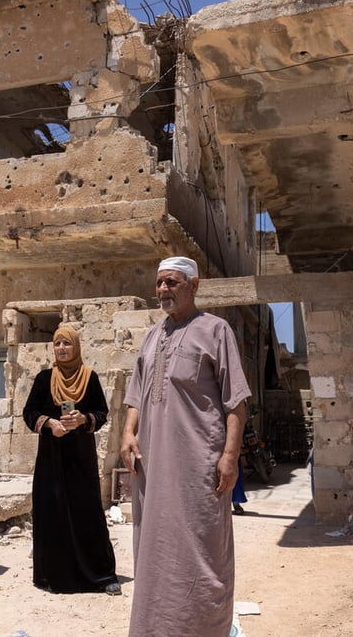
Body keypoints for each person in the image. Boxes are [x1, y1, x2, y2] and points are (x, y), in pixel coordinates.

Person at [120, 256, 251, 637]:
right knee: (154, 544)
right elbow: (135, 395)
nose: (163, 290)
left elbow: (236, 402)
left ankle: (201, 628)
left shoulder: (216, 330)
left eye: (172, 282)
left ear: (194, 286)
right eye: (160, 283)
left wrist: (229, 456)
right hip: (152, 466)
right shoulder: (151, 336)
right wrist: (128, 434)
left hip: (199, 465)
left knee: (201, 544)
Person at [23, 326, 121, 595]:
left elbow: (101, 413)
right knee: (52, 513)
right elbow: (29, 412)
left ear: (76, 346)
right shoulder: (45, 379)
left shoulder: (89, 377)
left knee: (86, 512)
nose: (62, 348)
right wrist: (49, 423)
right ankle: (57, 576)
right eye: (57, 344)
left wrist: (83, 419)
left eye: (67, 343)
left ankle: (101, 576)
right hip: (51, 458)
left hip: (80, 458)